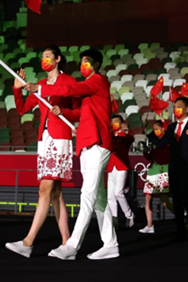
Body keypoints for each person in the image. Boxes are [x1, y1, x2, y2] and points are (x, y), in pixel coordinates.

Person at [25, 49, 118, 260]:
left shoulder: (98, 81)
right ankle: (110, 243)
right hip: (86, 145)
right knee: (98, 199)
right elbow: (80, 113)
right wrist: (63, 112)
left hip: (98, 142)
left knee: (87, 195)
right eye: (82, 61)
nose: (83, 64)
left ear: (97, 64)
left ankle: (71, 246)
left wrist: (40, 87)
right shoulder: (88, 92)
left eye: (87, 61)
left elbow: (70, 88)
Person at [5, 46, 80, 258]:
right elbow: (22, 110)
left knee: (44, 191)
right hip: (44, 140)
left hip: (60, 139)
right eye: (42, 57)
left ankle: (28, 242)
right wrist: (17, 89)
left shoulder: (69, 83)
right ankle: (67, 243)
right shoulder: (39, 85)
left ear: (58, 59)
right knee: (56, 194)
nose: (44, 59)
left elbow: (79, 110)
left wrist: (64, 111)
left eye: (48, 56)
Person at [149, 97, 188, 242]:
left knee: (186, 198)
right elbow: (162, 143)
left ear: (187, 109)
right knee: (176, 199)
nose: (176, 109)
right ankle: (181, 231)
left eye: (179, 106)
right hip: (174, 167)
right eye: (175, 107)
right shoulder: (172, 127)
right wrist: (150, 133)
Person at [140, 119, 173, 234]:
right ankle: (149, 224)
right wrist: (145, 150)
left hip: (163, 171)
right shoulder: (155, 141)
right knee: (148, 197)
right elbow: (151, 157)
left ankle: (181, 218)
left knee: (165, 201)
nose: (155, 131)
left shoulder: (168, 139)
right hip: (153, 171)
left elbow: (161, 145)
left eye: (157, 129)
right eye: (154, 130)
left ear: (163, 128)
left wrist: (148, 132)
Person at [107, 114, 135, 229]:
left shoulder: (125, 134)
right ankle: (114, 219)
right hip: (110, 167)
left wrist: (126, 131)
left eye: (117, 122)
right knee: (110, 196)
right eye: (113, 122)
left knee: (119, 192)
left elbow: (130, 139)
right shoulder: (110, 136)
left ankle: (129, 214)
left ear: (122, 123)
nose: (114, 124)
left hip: (122, 167)